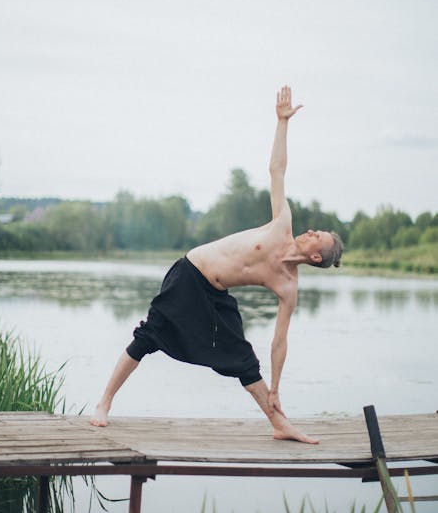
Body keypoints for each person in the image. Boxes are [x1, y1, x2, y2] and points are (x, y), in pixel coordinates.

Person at [91, 86, 343, 444]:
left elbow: (279, 342)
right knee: (149, 337)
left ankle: (278, 422)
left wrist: (277, 387)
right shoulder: (281, 223)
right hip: (190, 273)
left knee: (243, 357)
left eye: (319, 237)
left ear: (317, 256)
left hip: (216, 293)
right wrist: (282, 123)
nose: (313, 230)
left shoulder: (288, 286)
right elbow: (277, 169)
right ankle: (104, 403)